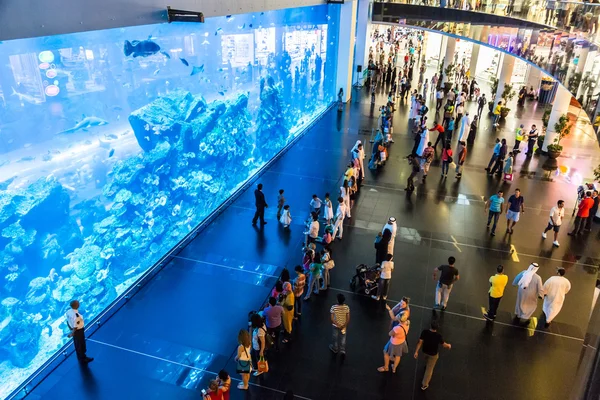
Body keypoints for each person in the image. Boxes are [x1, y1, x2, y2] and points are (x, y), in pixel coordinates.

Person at [414, 320, 452, 391]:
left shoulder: (424, 332)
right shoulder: (438, 336)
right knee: (429, 370)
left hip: (425, 351)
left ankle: (426, 364)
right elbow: (444, 344)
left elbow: (420, 342)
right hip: (433, 354)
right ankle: (424, 385)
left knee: (426, 359)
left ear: (430, 326)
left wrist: (416, 351)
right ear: (437, 328)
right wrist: (449, 345)